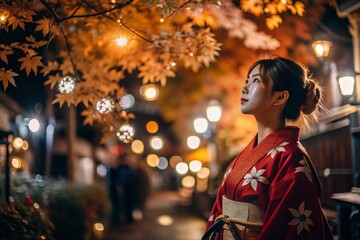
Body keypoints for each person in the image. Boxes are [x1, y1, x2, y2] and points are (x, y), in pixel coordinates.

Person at [202, 57, 333, 240]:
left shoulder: (291, 158)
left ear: (280, 96)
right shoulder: (252, 151)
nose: (244, 87)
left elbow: (287, 229)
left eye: (255, 81)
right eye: (247, 80)